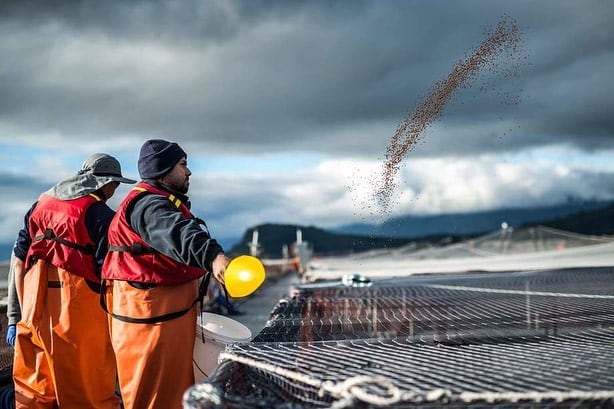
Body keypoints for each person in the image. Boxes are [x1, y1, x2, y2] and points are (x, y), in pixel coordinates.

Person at [102, 139, 229, 409]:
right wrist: (213, 257)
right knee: (152, 397)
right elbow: (179, 233)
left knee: (174, 393)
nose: (189, 172)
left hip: (166, 320)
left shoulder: (155, 201)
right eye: (183, 165)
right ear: (162, 170)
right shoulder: (149, 206)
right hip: (150, 324)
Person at [12, 153, 136, 409]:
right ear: (106, 183)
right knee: (90, 393)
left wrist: (17, 318)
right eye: (116, 184)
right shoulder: (101, 215)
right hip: (80, 316)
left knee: (35, 389)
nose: (116, 190)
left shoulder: (40, 205)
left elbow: (17, 261)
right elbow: (111, 276)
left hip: (35, 310)